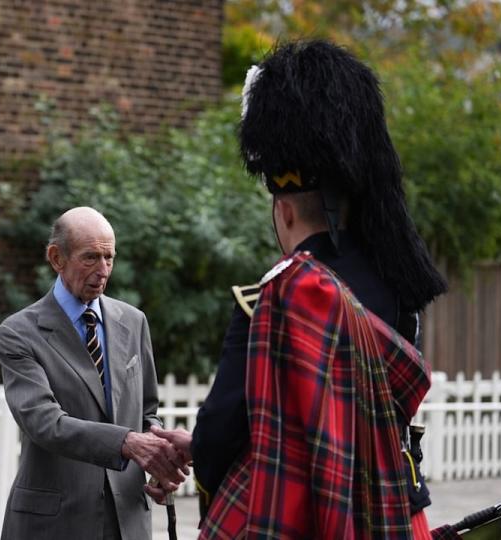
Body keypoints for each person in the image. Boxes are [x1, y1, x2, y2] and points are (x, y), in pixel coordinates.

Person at [150, 39, 448, 539]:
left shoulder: (271, 298)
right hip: (394, 516)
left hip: (300, 520)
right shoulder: (401, 290)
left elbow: (225, 433)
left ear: (283, 209)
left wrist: (198, 447)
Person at [0, 206, 188, 540]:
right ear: (56, 258)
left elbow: (146, 411)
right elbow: (44, 422)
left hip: (127, 518)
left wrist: (159, 454)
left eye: (109, 257)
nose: (103, 270)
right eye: (90, 258)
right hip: (54, 524)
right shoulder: (18, 333)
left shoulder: (134, 321)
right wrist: (127, 443)